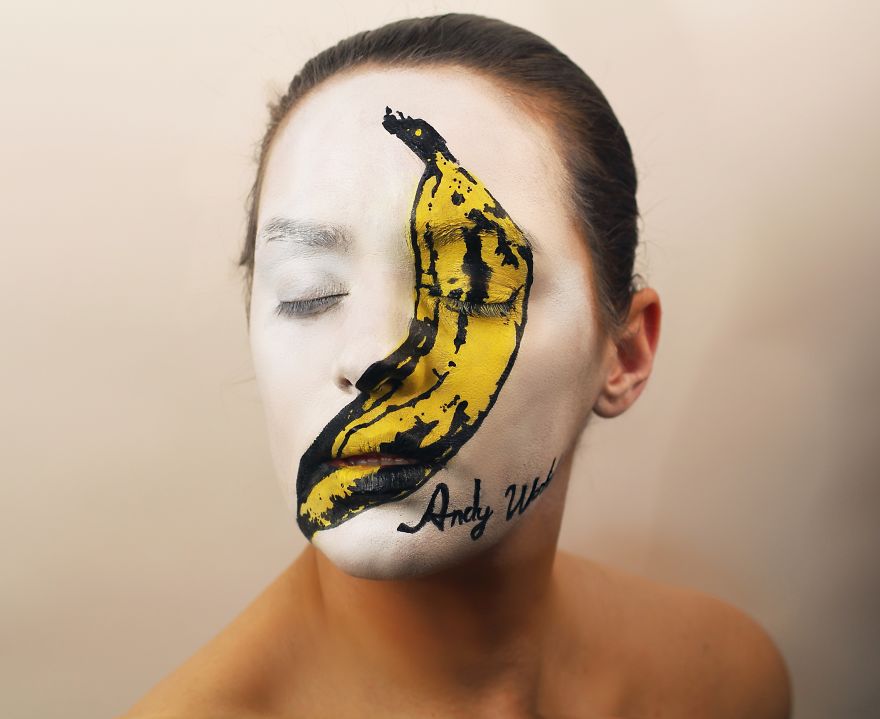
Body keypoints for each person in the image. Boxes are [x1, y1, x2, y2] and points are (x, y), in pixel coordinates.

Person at [121, 13, 791, 719]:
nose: (373, 355)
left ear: (624, 353)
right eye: (308, 294)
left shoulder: (728, 683)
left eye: (472, 287)